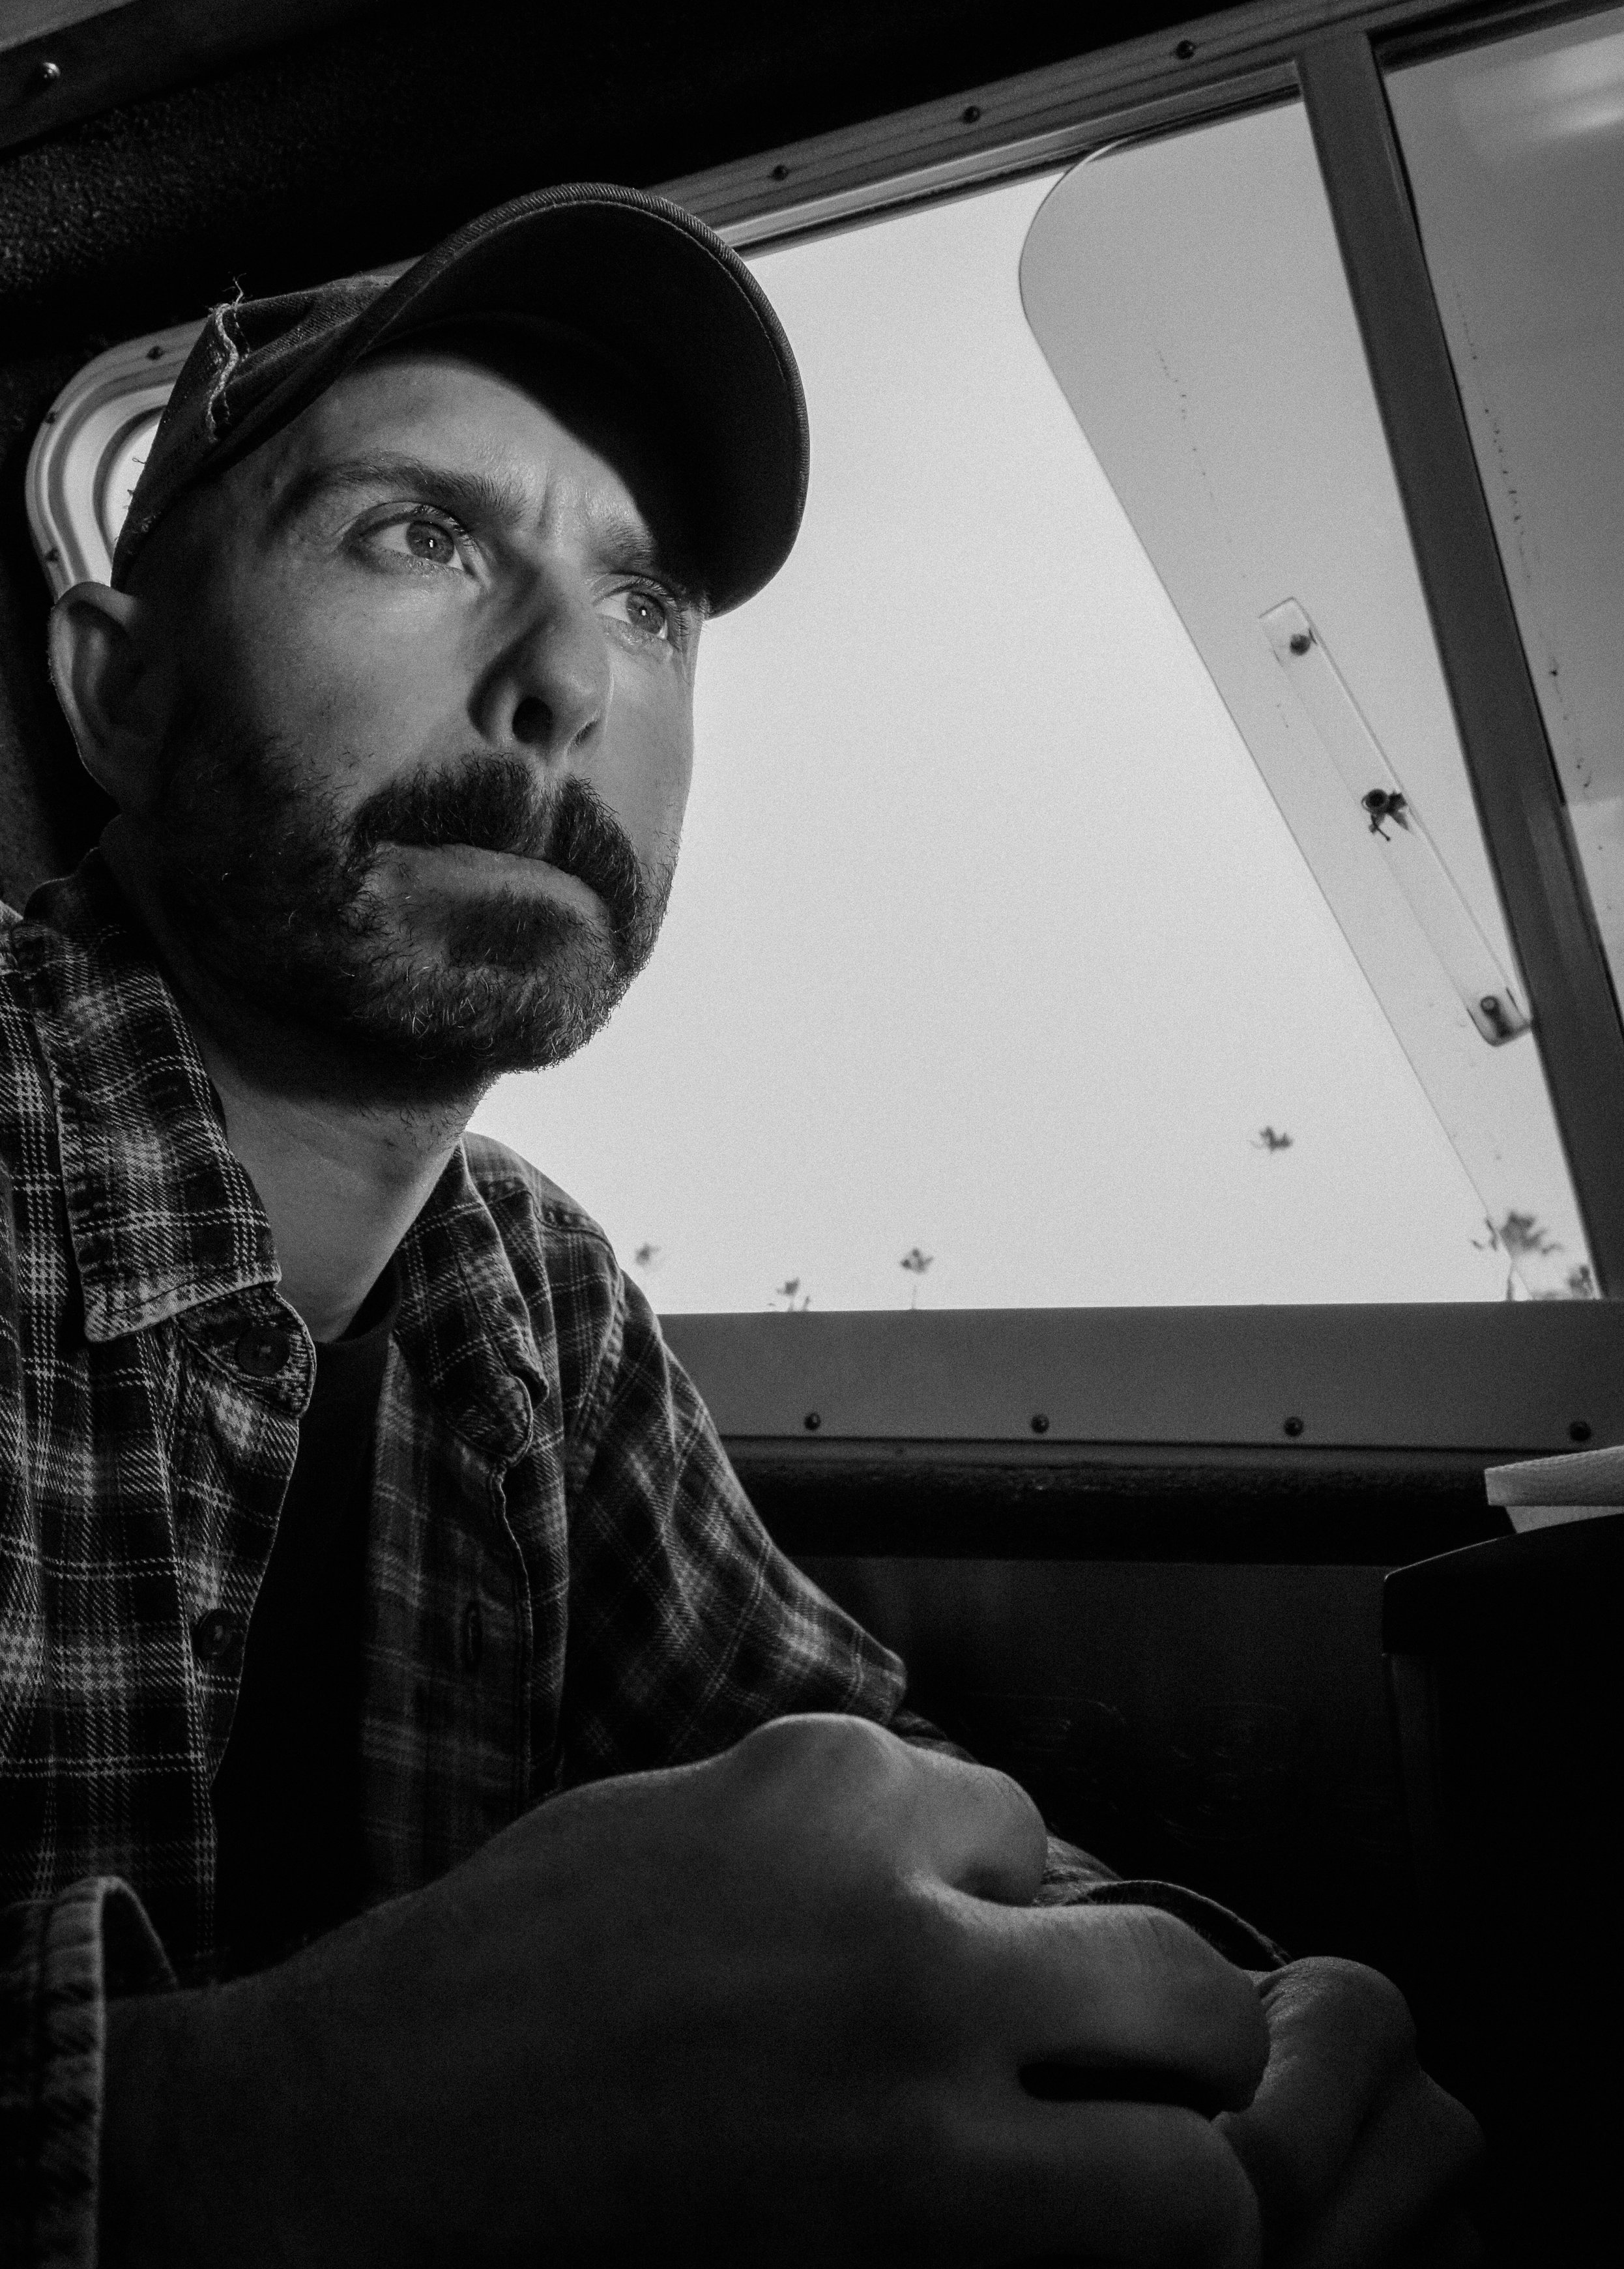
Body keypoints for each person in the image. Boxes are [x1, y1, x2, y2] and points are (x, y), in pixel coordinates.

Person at [0, 184, 1481, 2266]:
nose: (560, 682)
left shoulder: (532, 1305)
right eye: (419, 536)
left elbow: (879, 1797)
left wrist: (1236, 2037)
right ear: (118, 694)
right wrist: (253, 2134)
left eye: (649, 600)